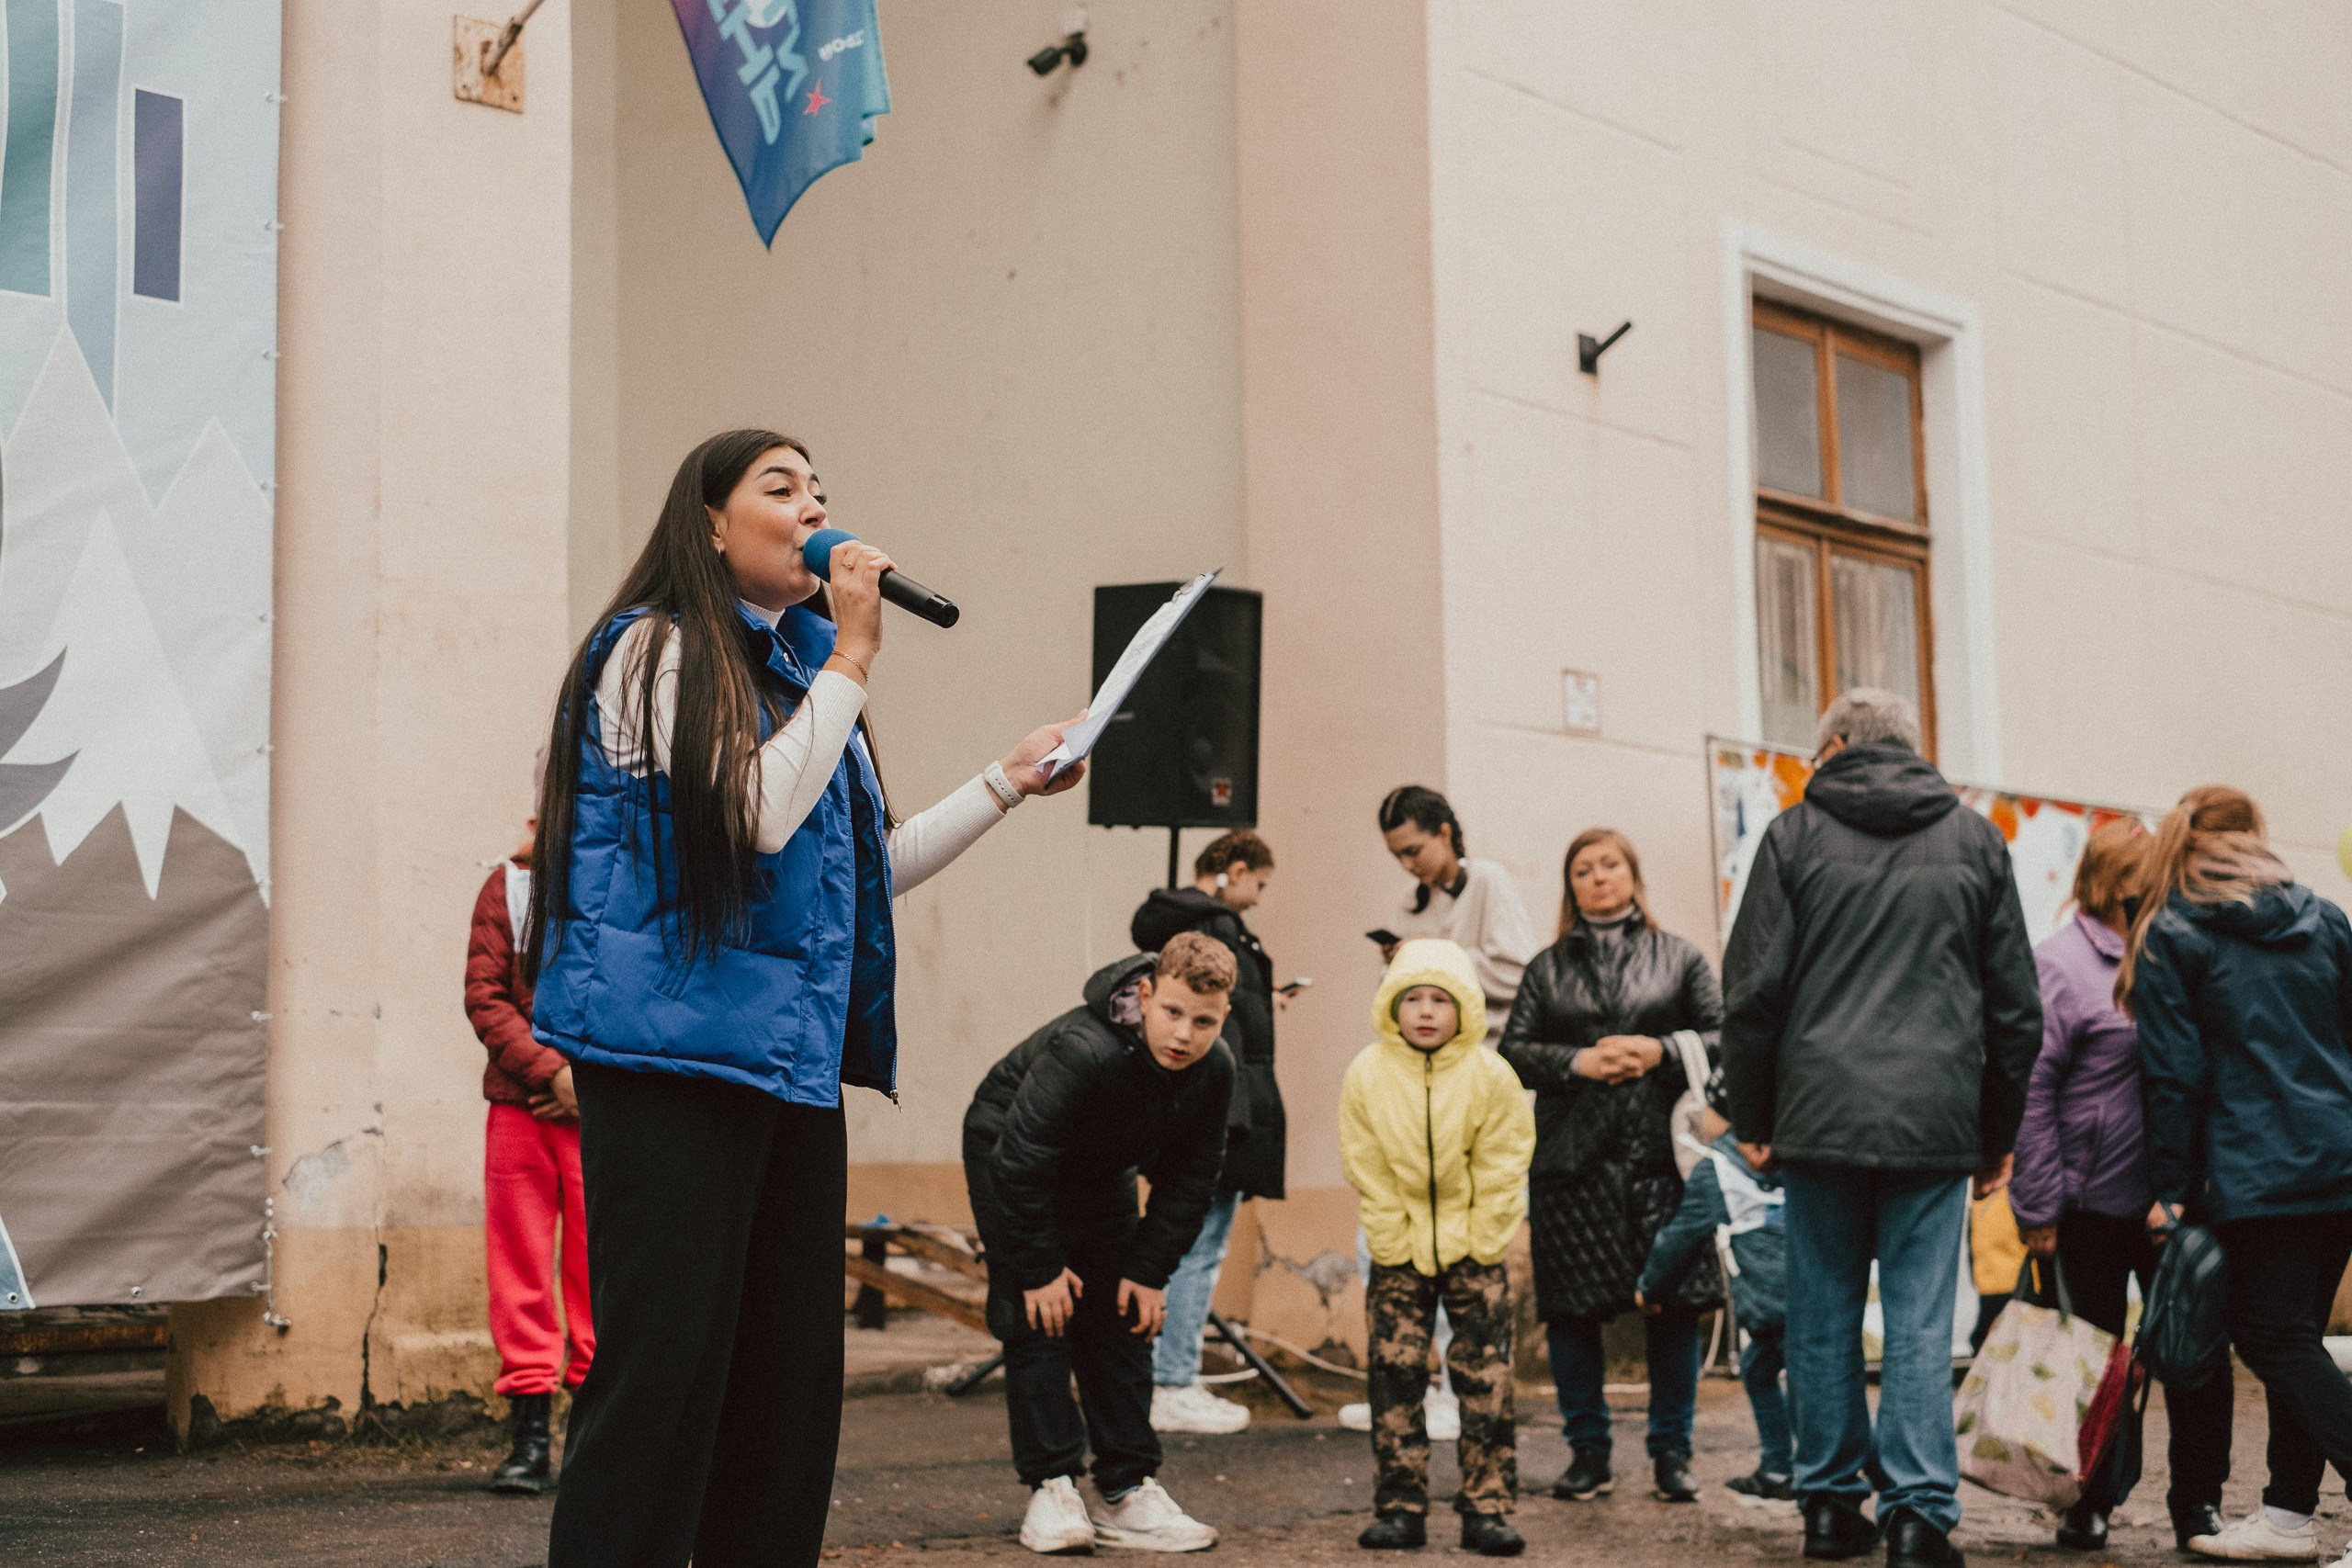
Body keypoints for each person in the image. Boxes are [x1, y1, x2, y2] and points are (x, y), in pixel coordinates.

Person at [527, 430, 1085, 1568]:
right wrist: (855, 659)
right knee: (665, 1374)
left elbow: (861, 869)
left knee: (784, 1387)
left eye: (821, 492)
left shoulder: (800, 669)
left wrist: (1005, 784)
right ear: (711, 523)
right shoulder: (654, 650)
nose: (813, 511)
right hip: (672, 1061)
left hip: (785, 1061)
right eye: (781, 490)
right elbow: (751, 818)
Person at [1720, 688, 2040, 1568]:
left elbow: (1751, 993)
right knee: (1919, 1319)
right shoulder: (1975, 838)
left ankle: (1828, 1507)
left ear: (1833, 744)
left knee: (1821, 1314)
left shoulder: (1792, 834)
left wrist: (1753, 1115)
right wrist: (1995, 1134)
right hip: (1933, 1123)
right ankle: (1916, 1517)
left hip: (1815, 1120)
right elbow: (2016, 1009)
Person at [2120, 785, 2352, 1566]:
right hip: (2339, 1159)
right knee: (2301, 1338)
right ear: (2256, 838)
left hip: (2259, 1166)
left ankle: (2298, 1511)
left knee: (2273, 1335)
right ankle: (2288, 1516)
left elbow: (2174, 1073)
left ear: (2181, 847)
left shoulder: (2174, 933)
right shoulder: (2325, 919)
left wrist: (2172, 1185)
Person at [962, 932, 1238, 1556]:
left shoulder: (1214, 1066)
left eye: (1204, 1020)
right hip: (1009, 1153)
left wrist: (1148, 1271)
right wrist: (1038, 1266)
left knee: (1122, 1312)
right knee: (1040, 1314)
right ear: (1144, 995)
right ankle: (1052, 1484)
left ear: (1223, 1017)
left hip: (1099, 1168)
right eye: (1171, 1012)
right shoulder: (1085, 1049)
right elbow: (1021, 1160)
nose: (1184, 1034)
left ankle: (1126, 1487)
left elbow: (1193, 1177)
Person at [2010, 818, 2233, 1553]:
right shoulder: (2062, 964)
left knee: (2195, 1357)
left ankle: (2197, 1502)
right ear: (2118, 883)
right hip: (2092, 1204)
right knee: (2092, 1364)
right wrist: (2038, 1203)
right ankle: (2089, 1499)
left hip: (2176, 1202)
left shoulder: (2178, 952)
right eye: (2156, 872)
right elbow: (2033, 1089)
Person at [1498, 828, 1724, 1506]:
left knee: (1673, 1308)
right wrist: (1577, 1061)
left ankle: (1672, 1453)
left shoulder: (1679, 956)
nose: (1599, 877)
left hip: (1661, 1160)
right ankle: (1587, 1452)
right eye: (1584, 869)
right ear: (1571, 887)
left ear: (1633, 873)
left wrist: (1660, 1050)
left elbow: (1725, 1036)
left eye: (1611, 864)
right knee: (1571, 1313)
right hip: (1572, 1160)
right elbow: (1512, 1049)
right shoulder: (1546, 967)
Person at [1340, 939, 1535, 1557]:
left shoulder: (1491, 1075)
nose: (1425, 1011)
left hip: (1474, 1252)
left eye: (1440, 1000)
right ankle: (1399, 1505)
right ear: (1391, 1004)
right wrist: (1389, 1231)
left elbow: (1506, 1159)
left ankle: (1487, 1506)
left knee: (1486, 1379)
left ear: (1465, 1008)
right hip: (1398, 1251)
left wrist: (1483, 1236)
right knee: (1395, 1375)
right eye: (1412, 998)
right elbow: (1364, 1158)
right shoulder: (1368, 1073)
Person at [1129, 829, 1288, 1437]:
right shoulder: (1219, 925)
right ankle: (1173, 1379)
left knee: (1182, 1241)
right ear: (1235, 867)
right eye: (1260, 883)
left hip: (1201, 1104)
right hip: (1226, 1106)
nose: (1259, 896)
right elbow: (1231, 1031)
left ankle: (1164, 1376)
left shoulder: (1175, 922)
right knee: (1200, 1245)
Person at [465, 811, 590, 1495]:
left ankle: (595, 1441)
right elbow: (485, 994)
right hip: (521, 1110)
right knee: (520, 1273)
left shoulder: (629, 874)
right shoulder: (508, 885)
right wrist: (554, 1073)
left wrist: (589, 1086)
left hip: (598, 1115)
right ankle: (531, 1438)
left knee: (600, 1273)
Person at [1637, 1086, 1789, 1502]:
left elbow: (1679, 1240)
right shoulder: (1799, 1148)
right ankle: (1780, 1466)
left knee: (1818, 1388)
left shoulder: (1719, 1166)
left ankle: (1872, 1469)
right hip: (1819, 1293)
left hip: (1769, 1301)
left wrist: (1650, 1289)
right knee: (1762, 1367)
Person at [1379, 786, 1539, 1039]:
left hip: (1488, 1052)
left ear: (1444, 833)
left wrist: (1432, 953)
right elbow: (1392, 996)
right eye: (1397, 856)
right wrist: (1396, 963)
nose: (1406, 866)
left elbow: (1519, 976)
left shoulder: (1487, 879)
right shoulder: (1409, 899)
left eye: (1413, 852)